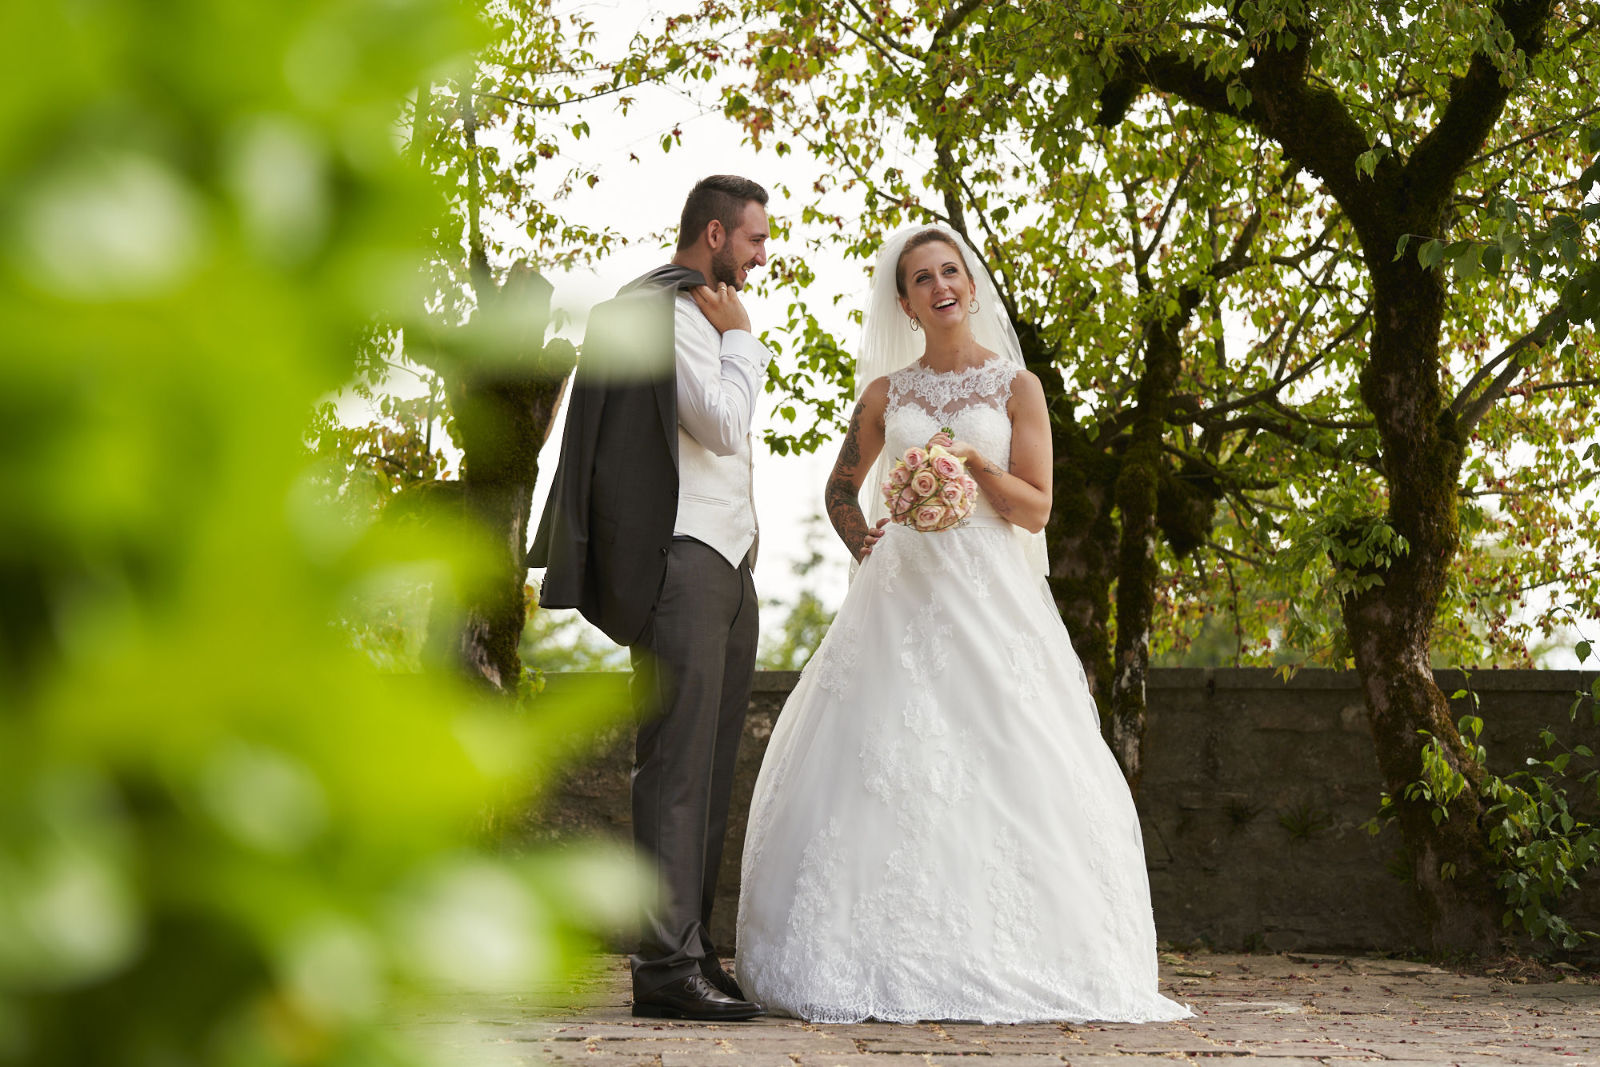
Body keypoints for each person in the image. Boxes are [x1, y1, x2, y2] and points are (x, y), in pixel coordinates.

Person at [734, 224, 1192, 1025]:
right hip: (901, 596)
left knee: (1009, 758)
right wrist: (861, 535)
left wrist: (973, 466)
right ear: (906, 302)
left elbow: (1037, 506)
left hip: (990, 595)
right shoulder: (886, 395)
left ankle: (1021, 949)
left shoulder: (1018, 388)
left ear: (971, 288)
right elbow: (842, 488)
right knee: (883, 761)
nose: (940, 284)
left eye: (951, 271)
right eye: (921, 277)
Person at [530, 175, 772, 1021]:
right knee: (672, 766)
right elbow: (722, 424)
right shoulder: (671, 312)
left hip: (732, 566)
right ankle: (664, 968)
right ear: (713, 234)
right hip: (686, 564)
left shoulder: (699, 311)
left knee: (707, 768)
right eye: (753, 240)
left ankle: (691, 949)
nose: (762, 255)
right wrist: (744, 342)